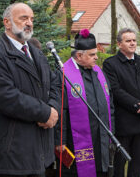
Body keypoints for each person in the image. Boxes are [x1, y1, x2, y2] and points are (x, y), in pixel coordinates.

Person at [0, 3, 60, 177]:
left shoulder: (37, 54)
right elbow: (5, 96)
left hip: (39, 150)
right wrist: (44, 113)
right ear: (7, 22)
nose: (29, 23)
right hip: (12, 152)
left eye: (31, 19)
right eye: (23, 18)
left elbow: (54, 84)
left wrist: (53, 108)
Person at [55, 29, 115, 177]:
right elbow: (61, 109)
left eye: (96, 54)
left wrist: (111, 133)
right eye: (92, 54)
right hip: (75, 141)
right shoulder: (64, 75)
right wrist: (60, 140)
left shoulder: (99, 73)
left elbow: (110, 106)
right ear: (79, 55)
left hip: (101, 138)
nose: (96, 58)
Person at [103, 28, 140, 177]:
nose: (132, 43)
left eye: (134, 40)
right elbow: (115, 90)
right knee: (119, 164)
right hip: (123, 123)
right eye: (128, 41)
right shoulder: (110, 64)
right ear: (119, 44)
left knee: (137, 164)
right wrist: (137, 106)